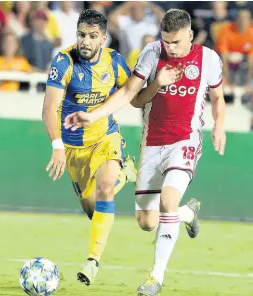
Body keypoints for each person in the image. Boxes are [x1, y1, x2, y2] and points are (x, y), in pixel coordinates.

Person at [64, 8, 226, 295]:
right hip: (152, 142)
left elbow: (217, 98)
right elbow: (130, 96)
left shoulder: (208, 59)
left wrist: (219, 127)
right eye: (166, 41)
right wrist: (93, 116)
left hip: (185, 140)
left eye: (175, 42)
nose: (170, 48)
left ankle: (155, 278)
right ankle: (186, 213)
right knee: (147, 222)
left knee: (167, 199)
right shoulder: (152, 53)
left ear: (190, 35)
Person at [42, 9, 137, 286]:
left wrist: (157, 85)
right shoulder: (64, 61)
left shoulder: (114, 62)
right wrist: (57, 146)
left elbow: (132, 94)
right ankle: (126, 173)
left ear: (103, 39)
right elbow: (49, 108)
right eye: (82, 34)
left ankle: (93, 260)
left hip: (105, 137)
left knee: (105, 187)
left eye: (92, 36)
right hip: (73, 149)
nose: (85, 40)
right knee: (93, 210)